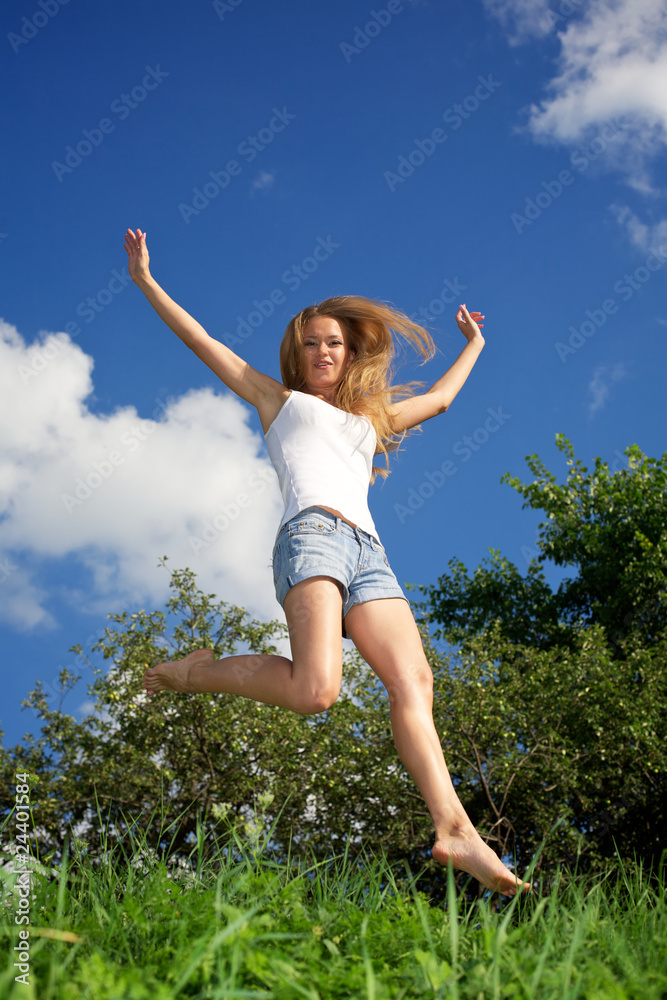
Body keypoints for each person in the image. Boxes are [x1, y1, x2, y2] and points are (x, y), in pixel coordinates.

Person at [124, 227, 530, 895]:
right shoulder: (277, 401)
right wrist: (145, 280)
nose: (320, 351)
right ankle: (192, 673)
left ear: (349, 355)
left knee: (415, 683)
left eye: (332, 344)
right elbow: (205, 343)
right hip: (310, 537)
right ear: (296, 353)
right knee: (315, 693)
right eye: (309, 343)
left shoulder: (370, 421)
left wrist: (476, 344)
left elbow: (443, 400)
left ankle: (455, 829)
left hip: (370, 554)